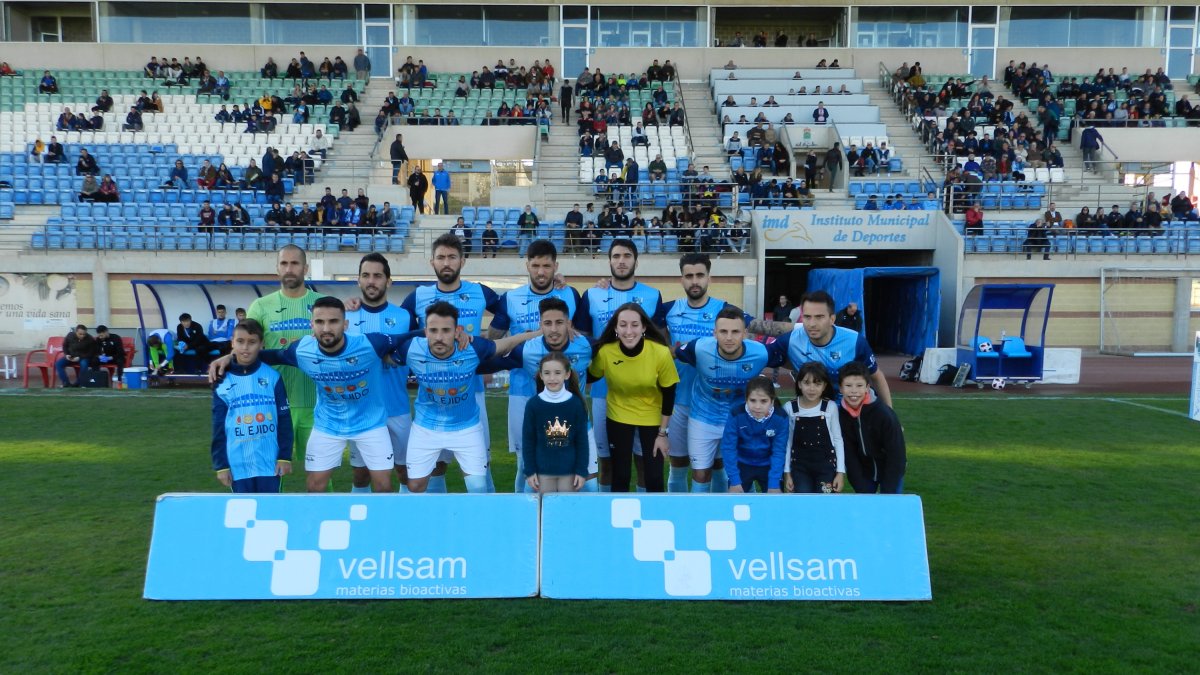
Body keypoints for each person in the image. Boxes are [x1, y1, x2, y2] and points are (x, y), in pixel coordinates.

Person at [397, 233, 505, 492]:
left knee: (481, 464)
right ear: (431, 262)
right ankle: (438, 520)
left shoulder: (479, 292)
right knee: (435, 465)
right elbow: (402, 331)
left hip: (472, 392)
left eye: (452, 257)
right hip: (432, 397)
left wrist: (488, 341)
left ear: (462, 261)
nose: (447, 263)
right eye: (441, 257)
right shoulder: (419, 296)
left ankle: (485, 520)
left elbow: (505, 310)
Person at [395, 301, 537, 493]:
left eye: (446, 330)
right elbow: (384, 353)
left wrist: (539, 333)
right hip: (426, 428)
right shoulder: (412, 349)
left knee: (478, 488)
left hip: (466, 428)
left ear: (457, 331)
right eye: (433, 330)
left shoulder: (472, 348)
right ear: (425, 331)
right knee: (415, 486)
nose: (439, 337)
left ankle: (477, 522)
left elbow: (505, 345)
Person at [486, 240, 583, 491]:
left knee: (567, 458)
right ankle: (524, 512)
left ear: (556, 266)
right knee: (524, 462)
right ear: (527, 265)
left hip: (564, 394)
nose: (541, 272)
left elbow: (581, 336)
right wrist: (530, 336)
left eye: (547, 266)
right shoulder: (511, 298)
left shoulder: (570, 294)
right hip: (523, 392)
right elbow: (494, 342)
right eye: (536, 265)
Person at [575, 239, 665, 491]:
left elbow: (659, 341)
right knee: (608, 461)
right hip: (605, 392)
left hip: (646, 394)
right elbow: (582, 341)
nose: (621, 261)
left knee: (645, 460)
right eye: (616, 256)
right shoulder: (592, 294)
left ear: (636, 261)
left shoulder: (652, 295)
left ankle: (644, 511)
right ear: (609, 261)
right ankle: (609, 514)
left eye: (627, 255)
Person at [673, 305, 770, 493]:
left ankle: (745, 517)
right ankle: (699, 517)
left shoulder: (761, 353)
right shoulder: (699, 347)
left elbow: (790, 359)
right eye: (723, 331)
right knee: (701, 474)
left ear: (745, 333)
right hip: (703, 418)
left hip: (740, 420)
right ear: (714, 333)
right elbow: (670, 354)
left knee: (742, 474)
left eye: (735, 332)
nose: (729, 337)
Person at [342, 253, 415, 493]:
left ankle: (404, 525)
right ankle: (363, 521)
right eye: (366, 275)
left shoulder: (404, 317)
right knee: (361, 474)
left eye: (377, 276)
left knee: (404, 471)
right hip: (362, 411)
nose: (371, 281)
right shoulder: (346, 317)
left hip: (397, 408)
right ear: (358, 281)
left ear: (388, 281)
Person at [587, 302, 678, 493]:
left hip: (652, 418)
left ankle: (655, 518)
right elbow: (588, 376)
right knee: (620, 475)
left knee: (653, 477)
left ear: (644, 327)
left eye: (635, 325)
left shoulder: (660, 353)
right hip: (618, 415)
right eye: (623, 325)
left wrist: (663, 434)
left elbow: (669, 394)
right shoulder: (606, 352)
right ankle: (617, 519)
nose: (629, 331)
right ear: (615, 328)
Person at [245, 245, 322, 468]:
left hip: (316, 405)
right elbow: (246, 349)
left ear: (305, 268)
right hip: (272, 404)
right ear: (277, 269)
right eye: (284, 264)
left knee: (319, 477)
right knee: (272, 472)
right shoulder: (260, 306)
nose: (289, 269)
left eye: (295, 263)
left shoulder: (323, 303)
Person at [761, 290, 894, 407]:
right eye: (807, 317)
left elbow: (876, 376)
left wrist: (890, 415)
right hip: (814, 412)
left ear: (832, 319)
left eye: (819, 317)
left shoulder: (854, 341)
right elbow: (759, 356)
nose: (812, 323)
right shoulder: (790, 340)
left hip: (851, 411)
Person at [210, 319, 294, 493]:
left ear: (261, 344)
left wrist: (285, 457)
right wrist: (221, 465)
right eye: (240, 342)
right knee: (243, 513)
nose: (245, 347)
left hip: (269, 462)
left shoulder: (273, 377)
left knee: (271, 512)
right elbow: (218, 426)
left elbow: (284, 419)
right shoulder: (222, 381)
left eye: (252, 342)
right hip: (238, 464)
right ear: (232, 343)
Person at [521, 352, 591, 493]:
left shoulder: (576, 404)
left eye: (557, 373)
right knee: (547, 510)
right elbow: (528, 440)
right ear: (541, 375)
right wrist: (530, 470)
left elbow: (582, 441)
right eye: (547, 373)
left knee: (566, 510)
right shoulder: (533, 405)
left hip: (569, 471)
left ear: (567, 374)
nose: (552, 378)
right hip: (543, 471)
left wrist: (581, 470)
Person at [837, 362, 906, 494]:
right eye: (848, 386)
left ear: (867, 388)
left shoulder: (884, 415)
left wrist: (889, 489)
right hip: (865, 471)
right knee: (865, 510)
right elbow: (849, 454)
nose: (854, 391)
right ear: (840, 388)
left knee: (890, 507)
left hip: (891, 468)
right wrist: (859, 484)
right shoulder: (841, 415)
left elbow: (897, 455)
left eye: (859, 386)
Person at [782, 362, 845, 493]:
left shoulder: (830, 407)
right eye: (807, 383)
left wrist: (840, 472)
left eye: (817, 383)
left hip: (826, 467)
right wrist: (787, 473)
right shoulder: (790, 408)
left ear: (824, 386)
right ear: (799, 384)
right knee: (802, 503)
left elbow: (838, 439)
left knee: (825, 504)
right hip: (800, 467)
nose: (812, 388)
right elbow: (787, 442)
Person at [721, 376, 789, 494]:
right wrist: (735, 481)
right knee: (736, 502)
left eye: (763, 401)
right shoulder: (736, 414)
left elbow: (779, 451)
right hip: (742, 464)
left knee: (773, 504)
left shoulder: (781, 417)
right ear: (746, 399)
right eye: (753, 400)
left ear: (772, 400)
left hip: (769, 466)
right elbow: (728, 448)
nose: (757, 406)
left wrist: (774, 483)